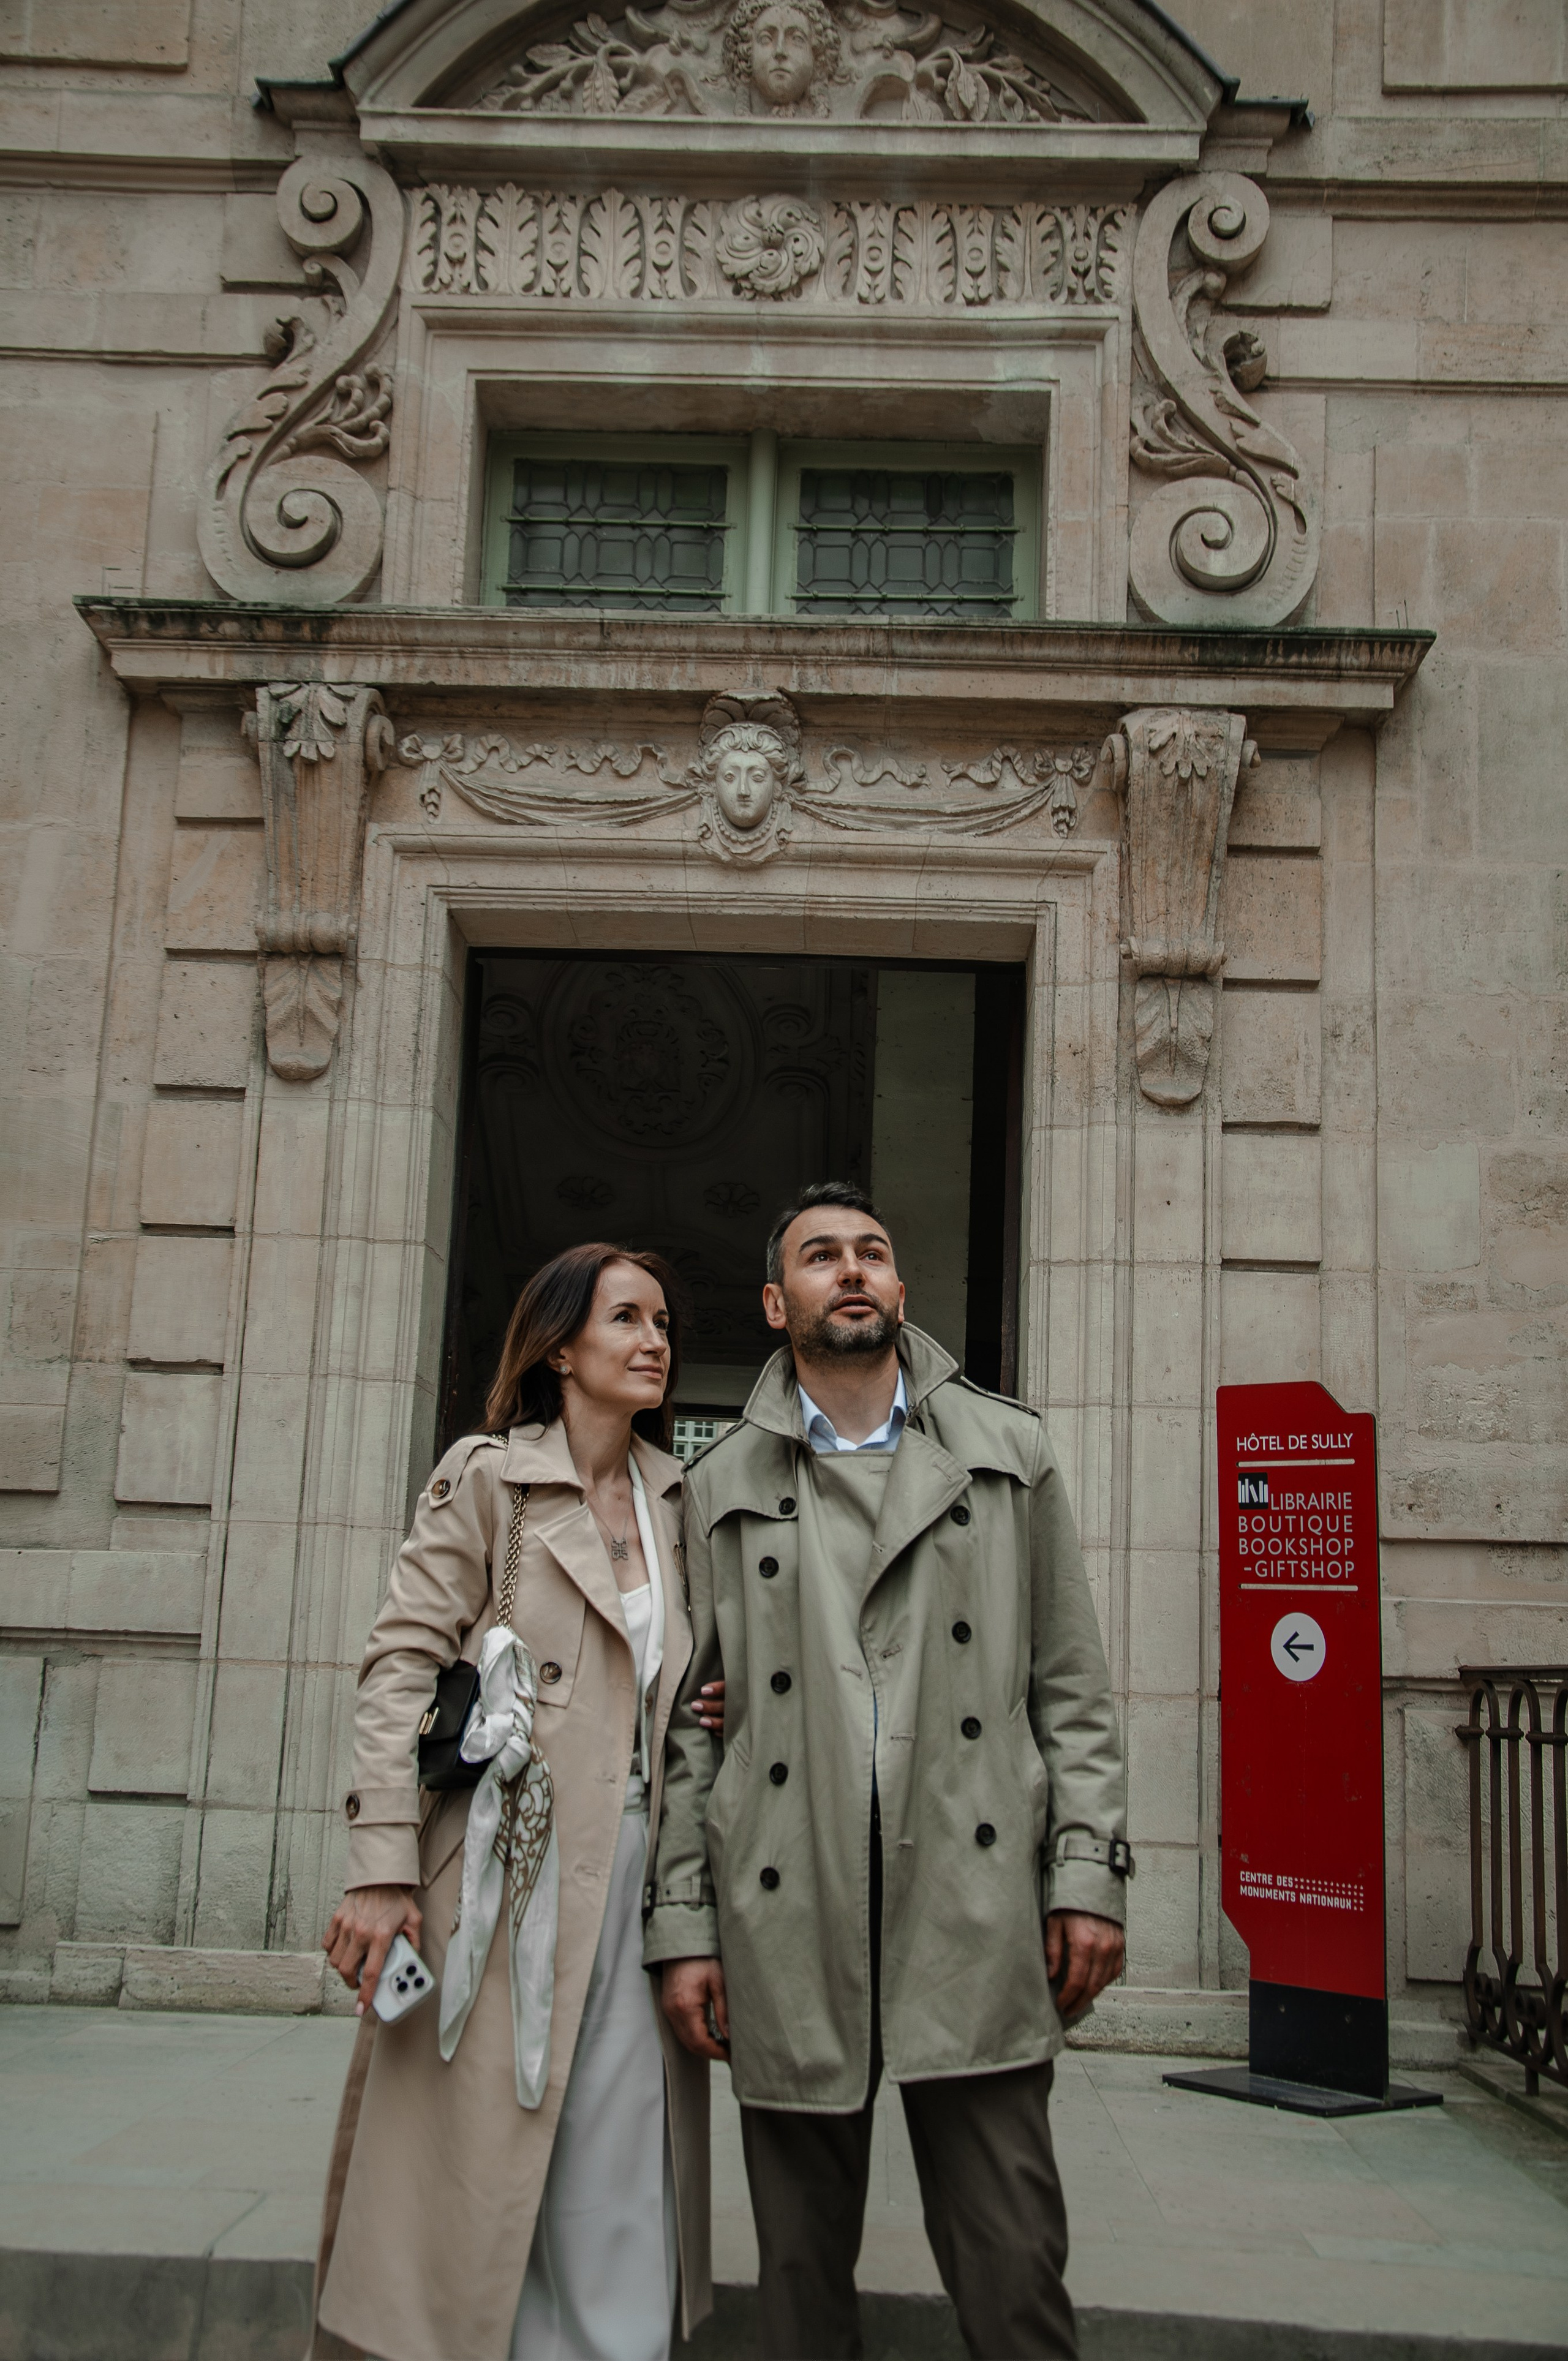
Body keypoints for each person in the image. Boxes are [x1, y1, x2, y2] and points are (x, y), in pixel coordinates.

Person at [647, 1182, 1131, 2361]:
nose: (852, 1270)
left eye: (873, 1253)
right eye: (821, 1257)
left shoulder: (1009, 1450)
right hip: (787, 1913)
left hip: (973, 1911)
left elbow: (1071, 1686)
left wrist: (1087, 1876)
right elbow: (688, 1729)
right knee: (802, 2291)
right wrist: (685, 1926)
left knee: (1017, 2275)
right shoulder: (714, 1488)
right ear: (777, 1301)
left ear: (902, 1290)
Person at [312, 1243, 721, 2361]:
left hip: (641, 1876)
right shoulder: (489, 1476)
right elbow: (399, 1663)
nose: (656, 1342)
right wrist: (383, 1865)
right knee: (479, 2170)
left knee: (621, 2170)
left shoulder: (682, 1498)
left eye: (665, 1324)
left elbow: (686, 1679)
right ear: (558, 1347)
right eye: (628, 1320)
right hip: (501, 1874)